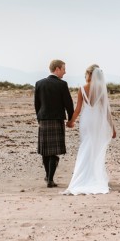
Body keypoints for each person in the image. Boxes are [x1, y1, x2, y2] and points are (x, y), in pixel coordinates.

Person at [63, 64, 117, 195]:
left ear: (90, 74)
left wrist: (71, 121)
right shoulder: (101, 89)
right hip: (98, 120)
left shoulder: (82, 88)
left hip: (87, 120)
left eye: (86, 74)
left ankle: (82, 174)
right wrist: (113, 128)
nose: (85, 76)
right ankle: (94, 175)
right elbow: (106, 112)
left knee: (86, 145)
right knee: (95, 147)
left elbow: (78, 109)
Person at [34, 59, 75, 188]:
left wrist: (39, 118)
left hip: (44, 120)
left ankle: (48, 176)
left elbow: (37, 104)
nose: (65, 71)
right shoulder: (62, 84)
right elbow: (68, 103)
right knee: (54, 151)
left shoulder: (39, 83)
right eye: (63, 69)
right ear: (57, 69)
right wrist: (71, 120)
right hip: (57, 120)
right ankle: (50, 179)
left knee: (45, 151)